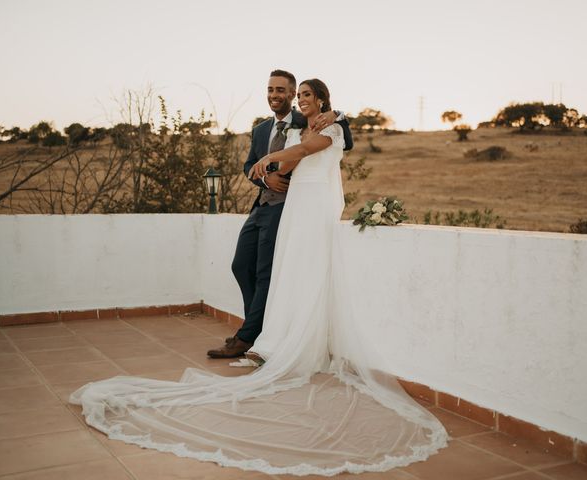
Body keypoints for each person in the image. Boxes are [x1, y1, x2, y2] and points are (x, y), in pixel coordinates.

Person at [70, 78, 447, 476]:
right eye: (290, 93)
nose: (294, 98)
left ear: (317, 99)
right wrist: (264, 171)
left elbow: (319, 146)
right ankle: (270, 334)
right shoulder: (274, 128)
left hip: (308, 205)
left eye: (302, 94)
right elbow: (279, 160)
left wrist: (291, 146)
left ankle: (257, 337)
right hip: (278, 202)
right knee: (259, 267)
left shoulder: (329, 127)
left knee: (284, 271)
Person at [207, 69, 353, 359]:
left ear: (291, 94)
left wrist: (339, 114)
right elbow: (251, 166)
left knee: (267, 273)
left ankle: (248, 336)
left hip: (291, 206)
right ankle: (258, 325)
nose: (276, 95)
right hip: (263, 204)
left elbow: (341, 140)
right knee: (241, 265)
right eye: (270, 89)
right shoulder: (261, 129)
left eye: (284, 91)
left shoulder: (311, 121)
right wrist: (265, 178)